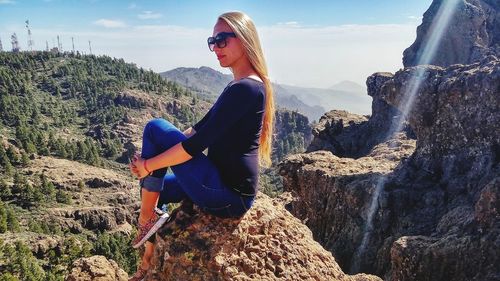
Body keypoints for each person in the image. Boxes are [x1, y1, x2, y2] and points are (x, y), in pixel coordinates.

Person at [127, 11, 275, 281]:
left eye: (222, 40)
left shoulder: (247, 89)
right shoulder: (238, 85)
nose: (215, 48)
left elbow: (194, 146)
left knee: (154, 127)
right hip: (216, 182)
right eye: (212, 41)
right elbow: (196, 128)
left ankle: (145, 220)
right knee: (154, 187)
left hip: (229, 195)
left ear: (243, 39)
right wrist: (153, 162)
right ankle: (148, 256)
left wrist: (148, 164)